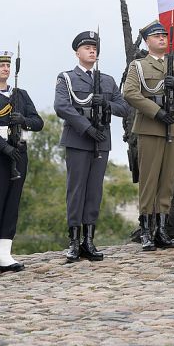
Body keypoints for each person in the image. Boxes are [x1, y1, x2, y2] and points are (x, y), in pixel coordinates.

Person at [122, 20, 174, 251]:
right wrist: (157, 112)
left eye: (164, 36)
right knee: (149, 181)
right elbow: (130, 93)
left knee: (167, 181)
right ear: (147, 41)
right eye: (157, 36)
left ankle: (162, 229)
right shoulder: (138, 66)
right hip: (150, 126)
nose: (162, 39)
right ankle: (146, 230)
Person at [54, 31, 130, 263]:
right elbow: (62, 107)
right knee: (76, 190)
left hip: (101, 140)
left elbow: (124, 107)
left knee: (94, 191)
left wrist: (105, 102)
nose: (92, 50)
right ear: (77, 52)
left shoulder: (106, 80)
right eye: (87, 47)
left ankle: (89, 239)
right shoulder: (66, 78)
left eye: (95, 47)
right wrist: (86, 128)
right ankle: (74, 241)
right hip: (79, 138)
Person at [0, 50, 44, 274]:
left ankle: (5, 253)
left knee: (11, 203)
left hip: (18, 153)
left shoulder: (20, 94)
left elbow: (38, 122)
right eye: (0, 66)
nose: (5, 69)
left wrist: (23, 120)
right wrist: (3, 146)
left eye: (7, 65)